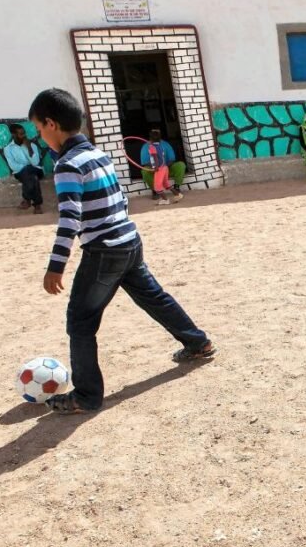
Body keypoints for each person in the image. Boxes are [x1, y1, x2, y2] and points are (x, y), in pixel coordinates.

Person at [29, 88, 215, 414]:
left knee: (80, 322)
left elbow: (70, 219)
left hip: (104, 251)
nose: (41, 137)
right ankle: (197, 342)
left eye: (39, 130)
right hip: (129, 241)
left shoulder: (68, 165)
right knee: (153, 297)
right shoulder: (98, 155)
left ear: (51, 123)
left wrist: (55, 266)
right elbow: (121, 199)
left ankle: (85, 397)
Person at [3, 123, 44, 214]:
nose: (24, 135)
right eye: (21, 134)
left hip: (36, 170)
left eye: (24, 133)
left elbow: (35, 162)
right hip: (20, 172)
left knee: (30, 172)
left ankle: (26, 200)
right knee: (33, 178)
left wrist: (29, 148)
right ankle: (37, 205)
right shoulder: (8, 149)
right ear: (14, 135)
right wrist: (26, 167)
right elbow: (13, 166)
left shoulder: (32, 146)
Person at [140, 129, 185, 203]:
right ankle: (178, 195)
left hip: (159, 169)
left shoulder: (152, 147)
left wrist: (156, 167)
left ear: (150, 139)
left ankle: (165, 200)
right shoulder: (159, 146)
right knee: (166, 184)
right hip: (164, 168)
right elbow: (146, 162)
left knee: (158, 187)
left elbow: (156, 158)